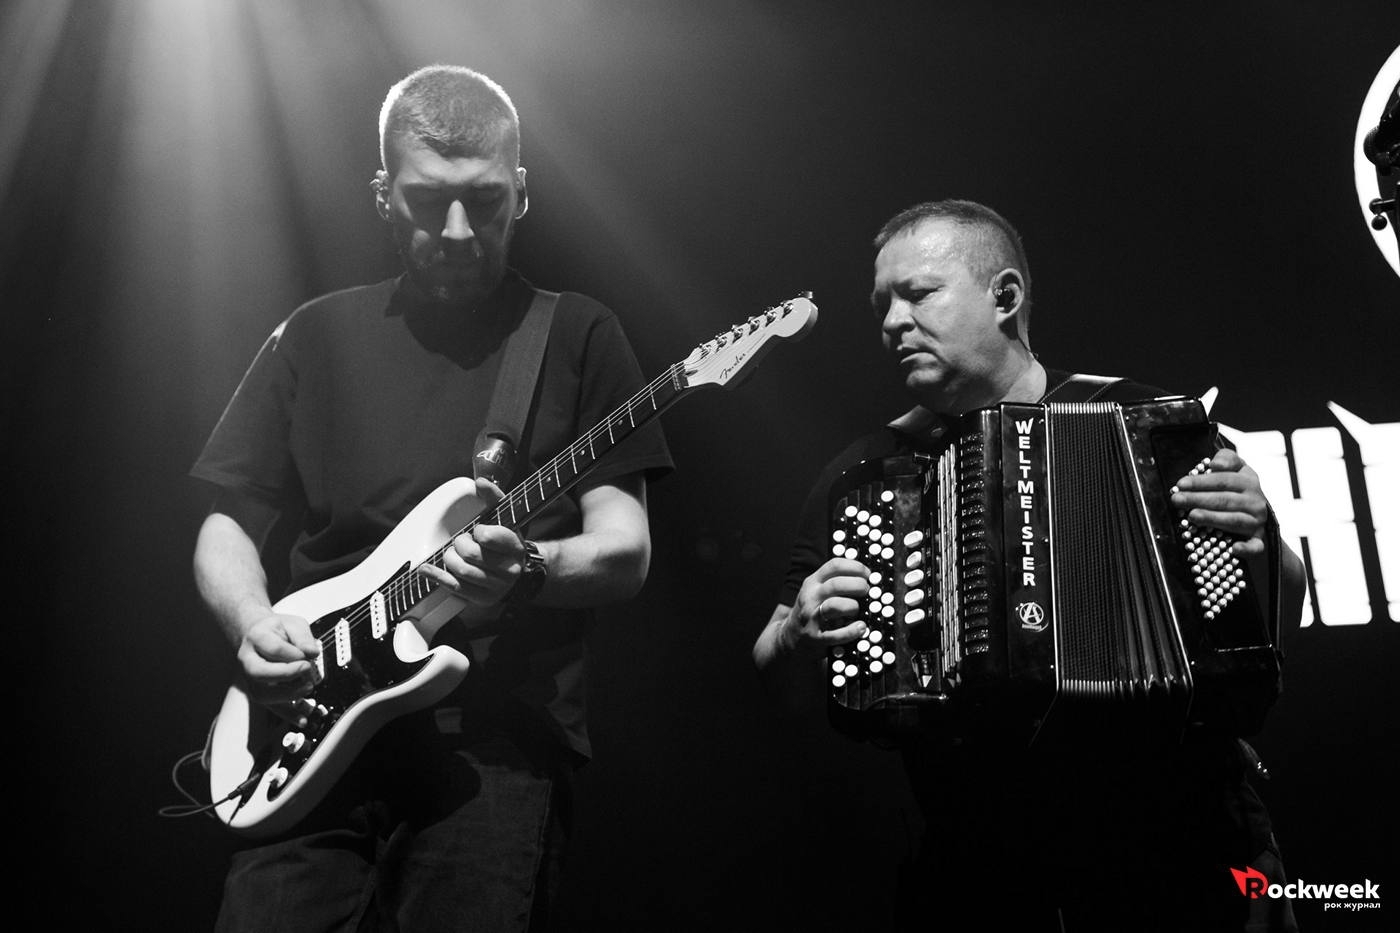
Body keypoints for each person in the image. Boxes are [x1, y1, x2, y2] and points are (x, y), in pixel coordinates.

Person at [191, 65, 672, 932]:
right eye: (426, 201)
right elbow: (228, 520)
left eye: (485, 202)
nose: (457, 231)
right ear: (383, 195)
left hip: (492, 745)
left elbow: (625, 547)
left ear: (521, 193)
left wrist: (527, 567)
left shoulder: (577, 332)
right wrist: (252, 623)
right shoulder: (313, 334)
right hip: (309, 721)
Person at [752, 199, 1307, 931]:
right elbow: (768, 657)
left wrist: (1258, 530)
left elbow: (1275, 606)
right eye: (882, 303)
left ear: (1005, 296)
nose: (891, 322)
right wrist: (796, 631)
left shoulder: (1150, 423)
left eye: (918, 293)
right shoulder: (868, 471)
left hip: (1187, 842)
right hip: (984, 865)